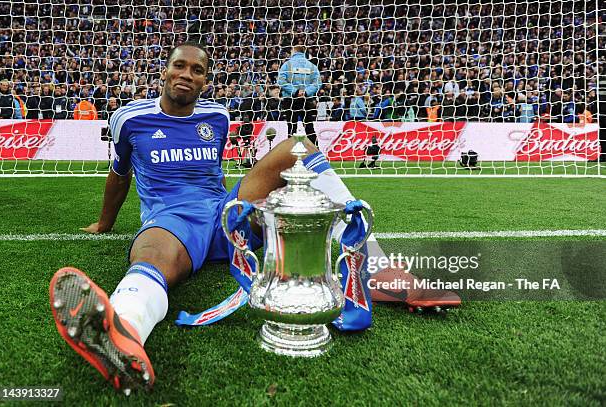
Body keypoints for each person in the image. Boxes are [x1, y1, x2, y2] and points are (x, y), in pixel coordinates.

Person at [49, 40, 459, 394]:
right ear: (165, 71)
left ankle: (375, 267)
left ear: (205, 80)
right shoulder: (129, 118)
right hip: (173, 222)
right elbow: (119, 175)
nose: (187, 74)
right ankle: (124, 331)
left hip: (228, 214)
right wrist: (105, 223)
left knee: (297, 145)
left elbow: (217, 177)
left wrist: (253, 201)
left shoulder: (217, 117)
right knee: (153, 256)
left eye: (198, 70)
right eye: (180, 65)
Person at [277, 37, 322, 145]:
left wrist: (295, 92)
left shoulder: (287, 65)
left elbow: (281, 81)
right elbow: (318, 83)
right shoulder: (312, 66)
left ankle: (290, 156)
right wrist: (306, 92)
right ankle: (316, 155)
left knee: (291, 128)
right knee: (309, 128)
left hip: (290, 99)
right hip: (306, 100)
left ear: (294, 51)